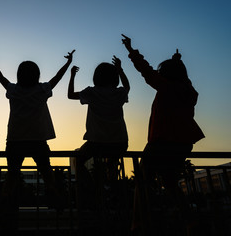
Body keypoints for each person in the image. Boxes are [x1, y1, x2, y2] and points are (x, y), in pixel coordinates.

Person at [121, 34, 205, 235]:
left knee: (142, 181)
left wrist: (131, 51)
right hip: (183, 143)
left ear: (165, 74)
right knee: (170, 183)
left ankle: (137, 222)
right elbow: (181, 76)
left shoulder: (166, 87)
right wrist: (177, 62)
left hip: (162, 141)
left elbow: (146, 70)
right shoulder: (188, 90)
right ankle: (190, 221)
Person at [0, 50, 74, 213]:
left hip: (15, 139)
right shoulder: (41, 90)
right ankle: (54, 193)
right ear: (37, 75)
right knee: (46, 170)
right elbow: (57, 78)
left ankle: (4, 199)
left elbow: (1, 78)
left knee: (12, 173)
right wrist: (68, 63)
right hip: (38, 138)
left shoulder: (14, 90)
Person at [68, 57, 130, 234]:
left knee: (79, 161)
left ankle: (96, 188)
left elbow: (70, 95)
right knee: (111, 167)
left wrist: (72, 76)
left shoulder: (92, 92)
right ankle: (109, 188)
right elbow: (127, 88)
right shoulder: (119, 93)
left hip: (97, 142)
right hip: (119, 142)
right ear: (114, 78)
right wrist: (120, 69)